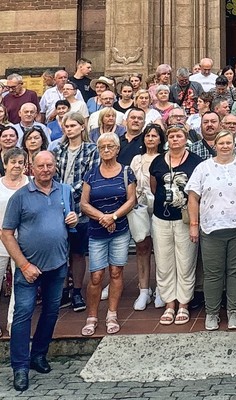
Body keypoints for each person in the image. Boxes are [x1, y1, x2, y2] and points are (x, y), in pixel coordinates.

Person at [2, 151, 78, 391]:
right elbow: (6, 233)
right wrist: (24, 265)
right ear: (30, 168)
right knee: (23, 314)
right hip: (28, 269)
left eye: (50, 165)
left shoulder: (64, 191)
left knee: (51, 312)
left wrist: (73, 220)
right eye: (40, 165)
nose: (46, 169)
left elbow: (69, 221)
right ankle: (20, 368)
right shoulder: (20, 197)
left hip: (57, 266)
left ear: (55, 166)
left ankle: (38, 356)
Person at [186, 130, 236, 331]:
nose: (225, 146)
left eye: (228, 142)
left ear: (234, 144)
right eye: (221, 143)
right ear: (215, 145)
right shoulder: (203, 167)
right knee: (213, 273)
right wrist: (194, 225)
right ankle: (212, 312)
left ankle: (233, 310)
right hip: (211, 228)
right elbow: (193, 197)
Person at [79, 133, 136, 336]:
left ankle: (112, 314)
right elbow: (84, 203)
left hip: (119, 230)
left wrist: (113, 217)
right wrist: (102, 217)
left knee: (116, 272)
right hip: (96, 231)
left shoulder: (127, 172)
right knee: (96, 275)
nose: (105, 150)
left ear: (117, 149)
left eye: (110, 146)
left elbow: (131, 200)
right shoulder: (91, 174)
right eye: (102, 147)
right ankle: (92, 316)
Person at [149, 125, 202, 325]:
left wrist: (195, 223)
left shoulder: (196, 162)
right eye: (171, 136)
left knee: (186, 261)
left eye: (179, 136)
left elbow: (197, 193)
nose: (175, 139)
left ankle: (183, 304)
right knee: (164, 262)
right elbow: (155, 188)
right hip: (161, 218)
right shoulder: (157, 161)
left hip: (185, 219)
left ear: (185, 138)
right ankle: (169, 303)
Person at [53, 112, 100, 312]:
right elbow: (53, 175)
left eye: (73, 125)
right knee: (61, 252)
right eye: (66, 126)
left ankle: (77, 291)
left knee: (78, 252)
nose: (69, 129)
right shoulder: (58, 150)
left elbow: (90, 176)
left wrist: (68, 191)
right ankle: (63, 290)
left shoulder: (91, 149)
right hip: (57, 207)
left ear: (82, 127)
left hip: (80, 207)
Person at [129, 124, 165, 311]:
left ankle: (161, 288)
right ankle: (144, 290)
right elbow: (131, 183)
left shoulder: (165, 158)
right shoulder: (137, 159)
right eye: (148, 135)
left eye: (154, 136)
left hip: (159, 206)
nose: (151, 139)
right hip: (140, 206)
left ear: (160, 139)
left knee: (160, 247)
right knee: (142, 246)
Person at [0, 148, 29, 337]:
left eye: (20, 162)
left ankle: (13, 323)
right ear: (5, 164)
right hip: (1, 240)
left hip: (24, 242)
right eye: (13, 162)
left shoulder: (31, 185)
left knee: (20, 286)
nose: (16, 165)